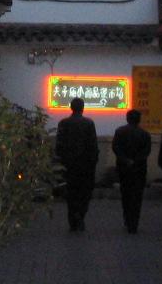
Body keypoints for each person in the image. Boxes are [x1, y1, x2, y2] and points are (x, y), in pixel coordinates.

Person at [55, 97, 99, 232]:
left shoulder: (63, 123)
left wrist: (61, 162)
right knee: (84, 192)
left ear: (71, 107)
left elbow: (59, 145)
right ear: (83, 108)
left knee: (71, 192)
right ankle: (80, 215)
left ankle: (73, 218)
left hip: (69, 165)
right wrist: (93, 162)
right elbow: (93, 145)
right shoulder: (89, 123)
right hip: (86, 165)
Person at [111, 108, 151, 234]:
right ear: (139, 120)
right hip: (139, 169)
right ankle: (134, 222)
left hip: (124, 168)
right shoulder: (145, 134)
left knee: (126, 194)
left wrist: (125, 160)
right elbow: (146, 152)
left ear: (127, 119)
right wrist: (136, 161)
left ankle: (127, 218)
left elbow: (115, 148)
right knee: (137, 196)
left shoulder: (120, 131)